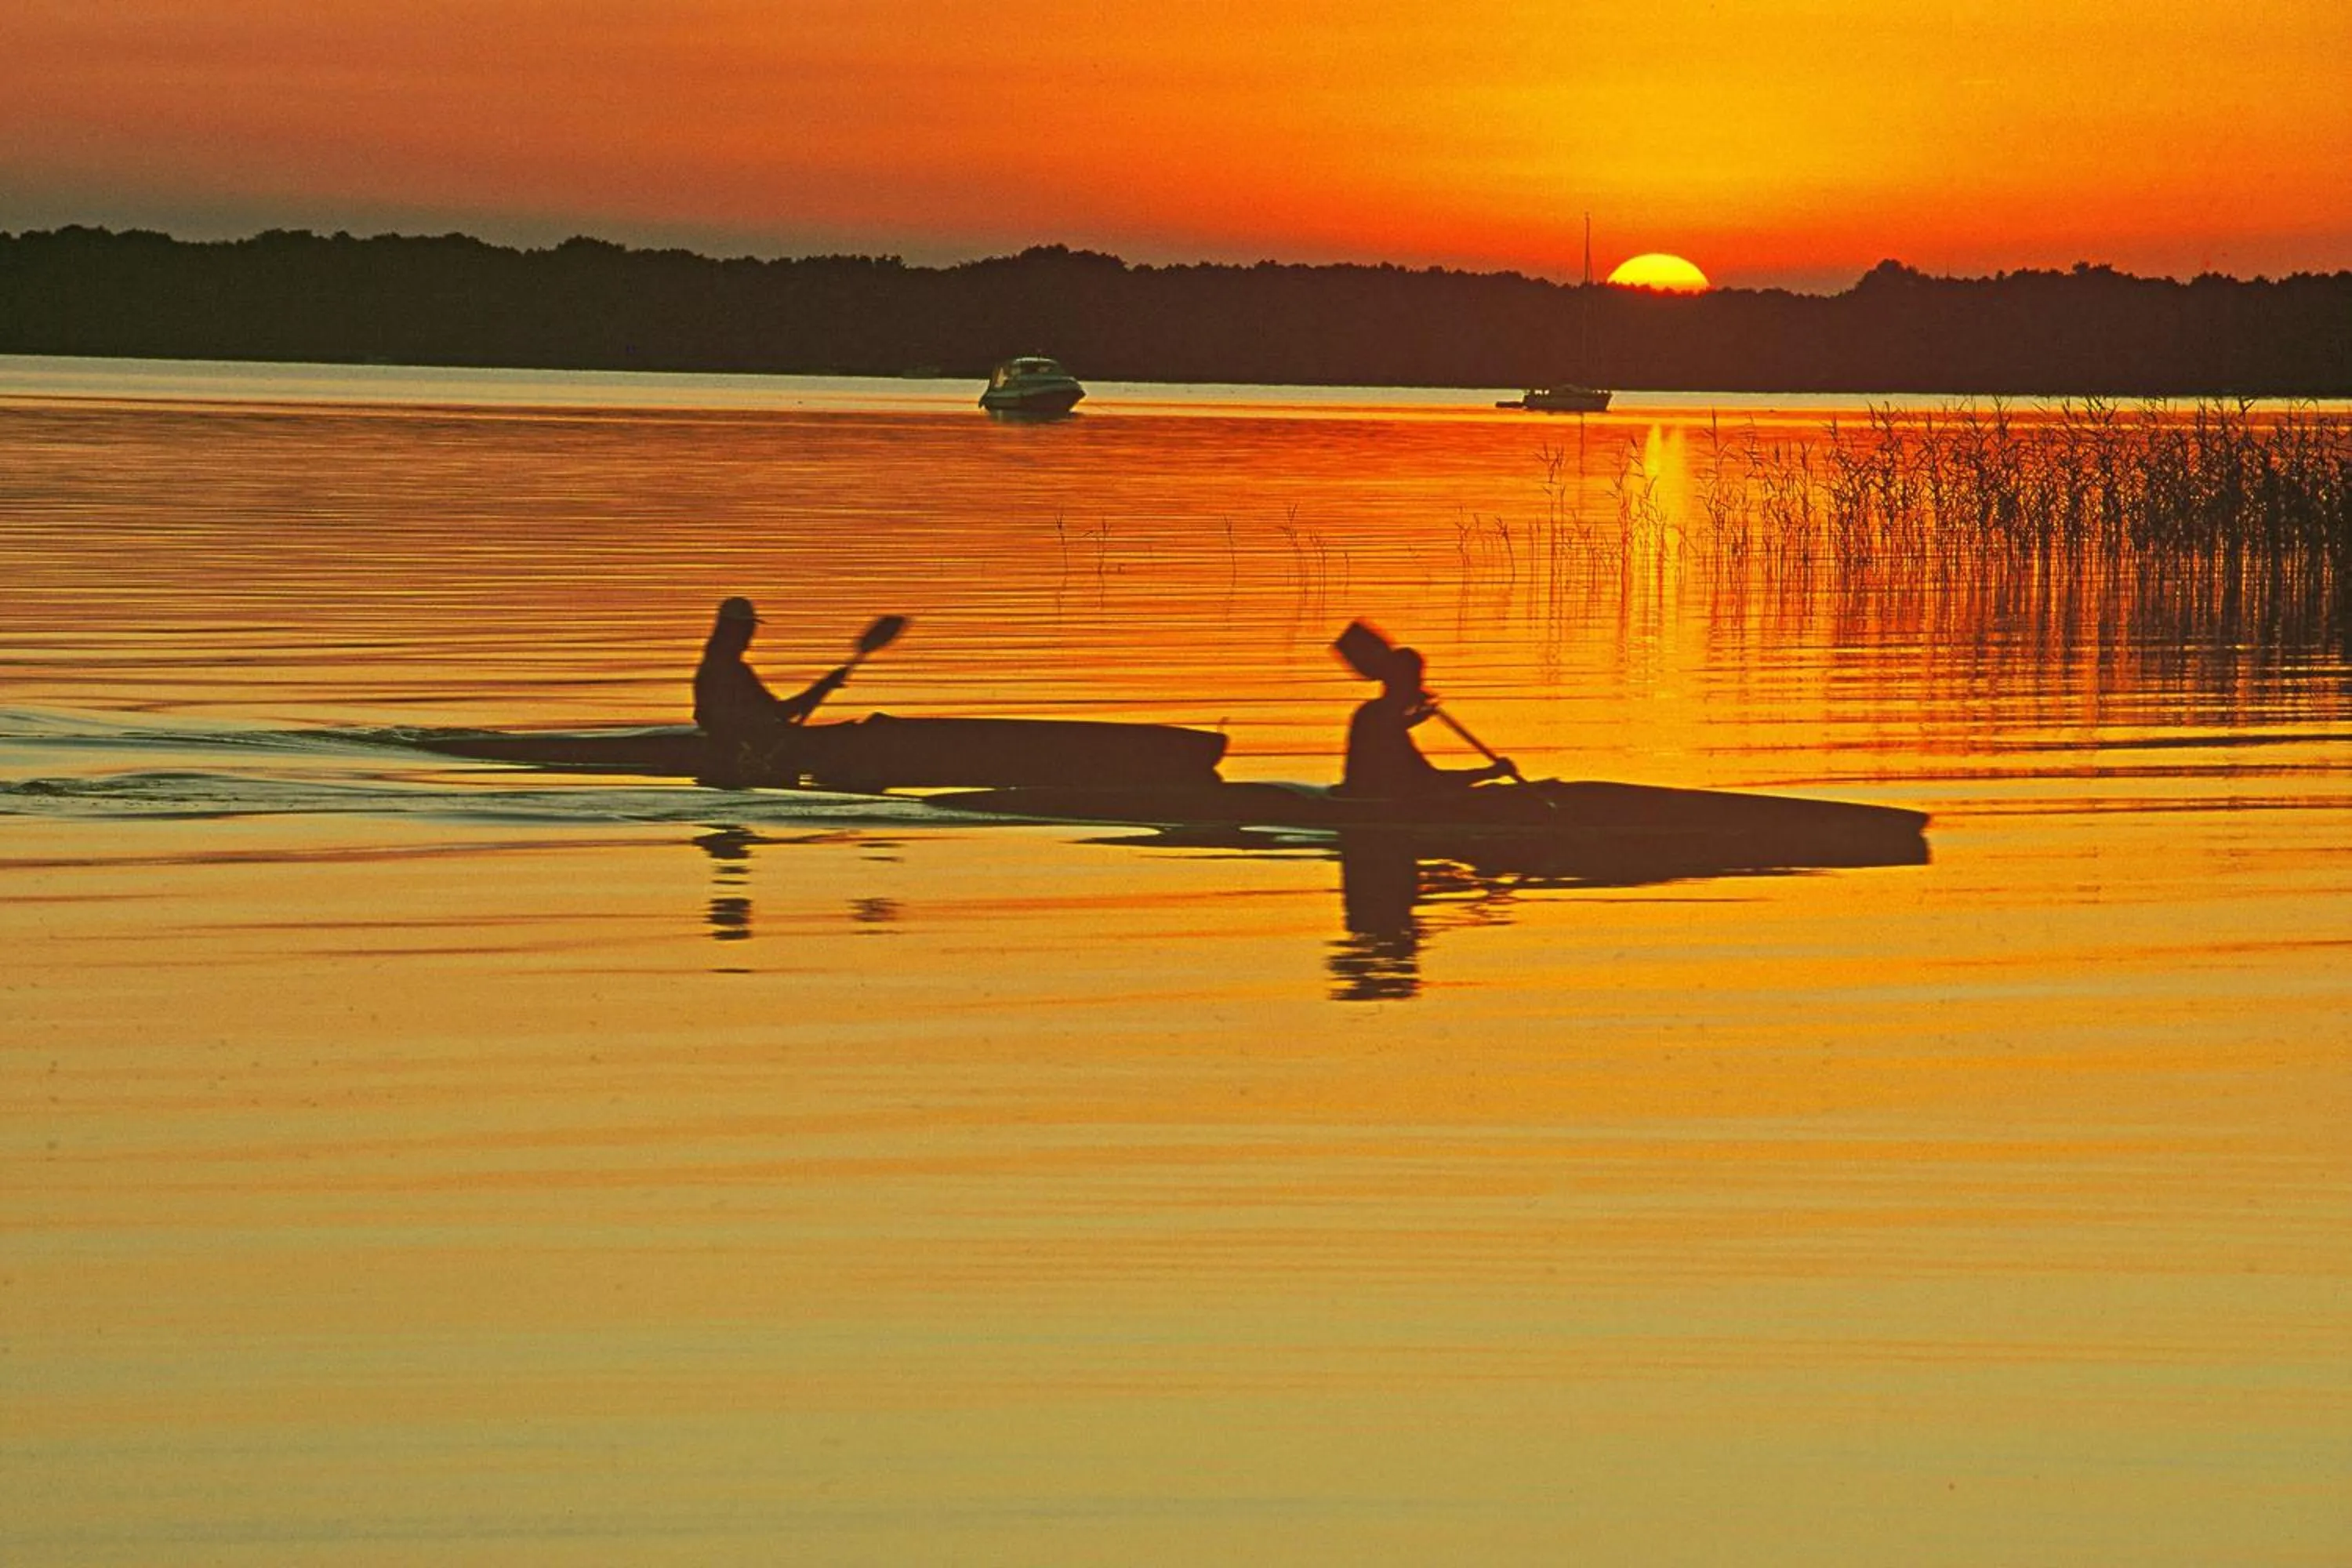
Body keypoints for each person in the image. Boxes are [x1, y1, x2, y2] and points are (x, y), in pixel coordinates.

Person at [693, 597, 846, 783]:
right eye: (747, 629)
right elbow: (782, 712)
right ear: (731, 631)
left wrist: (823, 687)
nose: (750, 635)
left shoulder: (714, 667)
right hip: (744, 751)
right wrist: (823, 686)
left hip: (740, 745)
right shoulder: (731, 671)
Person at [1337, 645, 1514, 797]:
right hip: (1377, 798)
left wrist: (1414, 716)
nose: (1421, 686)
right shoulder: (1377, 719)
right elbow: (1429, 781)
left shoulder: (1376, 716)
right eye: (1417, 680)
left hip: (1384, 793)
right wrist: (1490, 773)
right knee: (1490, 791)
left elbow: (1392, 729)